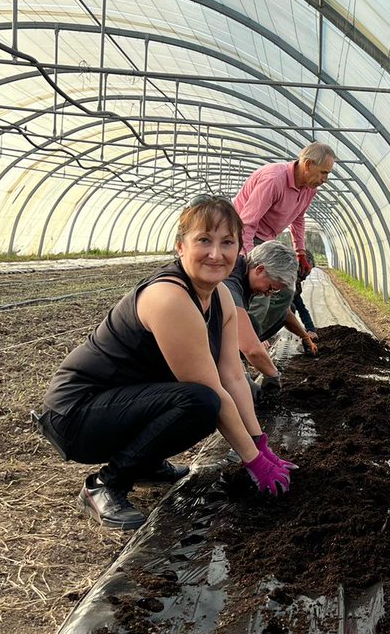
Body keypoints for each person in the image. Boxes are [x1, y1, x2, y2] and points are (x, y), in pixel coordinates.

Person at [37, 197, 294, 531]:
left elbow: (233, 375)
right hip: (76, 414)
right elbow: (212, 388)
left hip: (125, 401)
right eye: (204, 240)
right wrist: (253, 462)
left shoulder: (222, 299)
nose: (216, 254)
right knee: (201, 401)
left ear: (239, 250)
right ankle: (105, 484)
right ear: (180, 247)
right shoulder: (170, 298)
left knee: (204, 400)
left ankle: (144, 464)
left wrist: (260, 444)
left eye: (227, 242)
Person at [233, 142, 335, 337]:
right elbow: (246, 223)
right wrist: (246, 259)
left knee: (285, 293)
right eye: (323, 172)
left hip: (266, 239)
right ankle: (241, 345)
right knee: (261, 295)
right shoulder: (274, 180)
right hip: (242, 235)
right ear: (307, 165)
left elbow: (297, 219)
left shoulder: (309, 189)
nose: (325, 179)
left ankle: (255, 338)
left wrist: (300, 252)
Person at [223, 241, 316, 399]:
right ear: (260, 270)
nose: (268, 294)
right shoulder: (230, 282)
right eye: (271, 287)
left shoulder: (246, 276)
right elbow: (250, 348)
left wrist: (305, 335)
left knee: (252, 324)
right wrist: (272, 375)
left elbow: (285, 313)